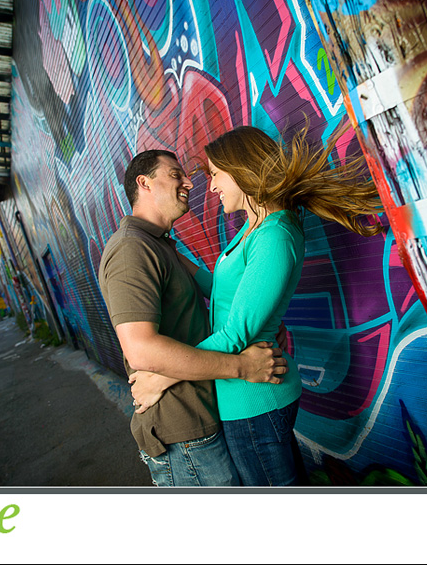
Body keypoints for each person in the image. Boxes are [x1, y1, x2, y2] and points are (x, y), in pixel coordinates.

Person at [130, 126, 383, 486]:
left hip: (254, 399)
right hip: (242, 395)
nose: (212, 186)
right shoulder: (255, 226)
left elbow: (236, 334)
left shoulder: (275, 235)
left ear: (241, 169)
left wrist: (163, 377)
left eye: (216, 175)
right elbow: (223, 289)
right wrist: (171, 254)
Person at [98, 149, 289, 487]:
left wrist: (263, 312)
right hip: (182, 435)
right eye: (175, 174)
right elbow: (141, 350)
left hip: (201, 419)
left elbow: (222, 291)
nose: (189, 181)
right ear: (144, 183)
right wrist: (244, 366)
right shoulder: (131, 250)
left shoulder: (158, 246)